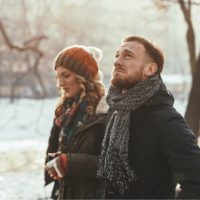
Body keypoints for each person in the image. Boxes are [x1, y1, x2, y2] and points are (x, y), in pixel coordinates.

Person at [97, 35, 200, 199]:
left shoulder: (167, 121)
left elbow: (196, 181)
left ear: (150, 69)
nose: (117, 61)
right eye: (117, 55)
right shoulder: (115, 112)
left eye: (127, 56)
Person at [44, 45, 108, 199]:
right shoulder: (64, 110)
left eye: (65, 76)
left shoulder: (105, 111)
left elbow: (112, 164)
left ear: (83, 76)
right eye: (58, 77)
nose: (60, 83)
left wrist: (68, 162)